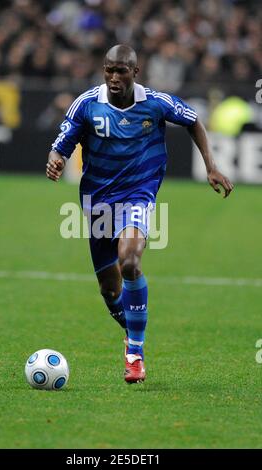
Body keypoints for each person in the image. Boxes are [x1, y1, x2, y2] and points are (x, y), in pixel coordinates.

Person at [46, 44, 234, 384]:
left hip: (138, 194)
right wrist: (55, 159)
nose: (114, 77)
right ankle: (133, 326)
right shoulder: (87, 104)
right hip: (98, 201)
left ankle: (135, 353)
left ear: (136, 72)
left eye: (121, 70)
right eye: (109, 70)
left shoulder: (156, 103)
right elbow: (62, 142)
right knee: (109, 289)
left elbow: (193, 121)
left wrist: (211, 166)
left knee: (130, 261)